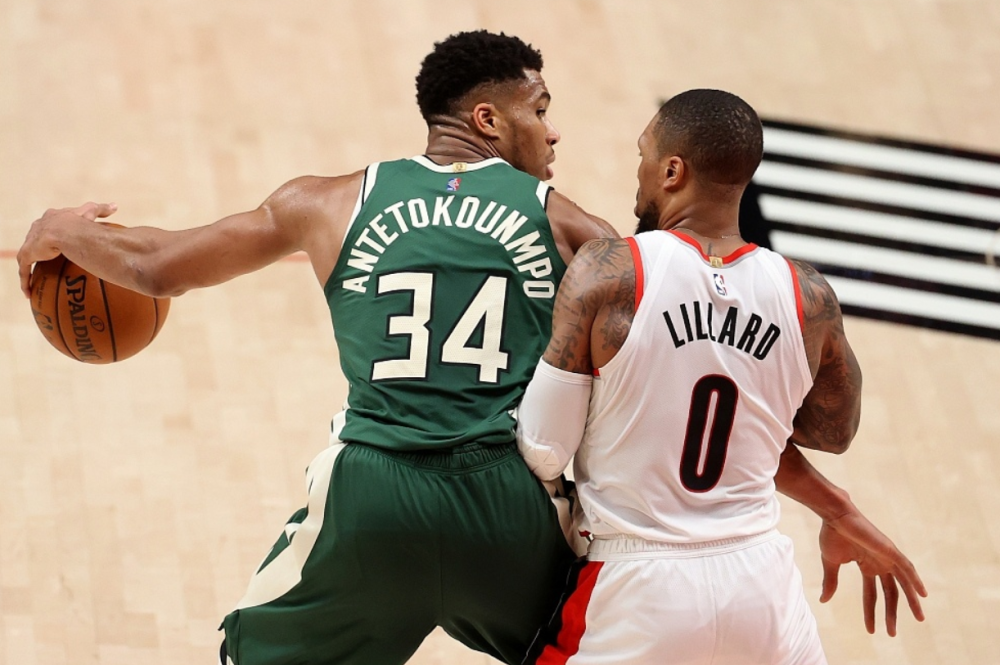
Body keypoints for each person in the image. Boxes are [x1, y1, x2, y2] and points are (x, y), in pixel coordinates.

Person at [17, 32, 920, 665]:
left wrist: (60, 230)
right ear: (488, 120)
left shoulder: (324, 201)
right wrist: (834, 501)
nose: (555, 130)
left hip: (372, 497)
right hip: (509, 515)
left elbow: (157, 266)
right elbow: (695, 406)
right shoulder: (584, 237)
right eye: (540, 109)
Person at [517, 89, 927, 664]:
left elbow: (544, 451)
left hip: (638, 587)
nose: (638, 172)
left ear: (672, 171)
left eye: (643, 155)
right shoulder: (807, 297)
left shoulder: (611, 272)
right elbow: (833, 433)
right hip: (762, 590)